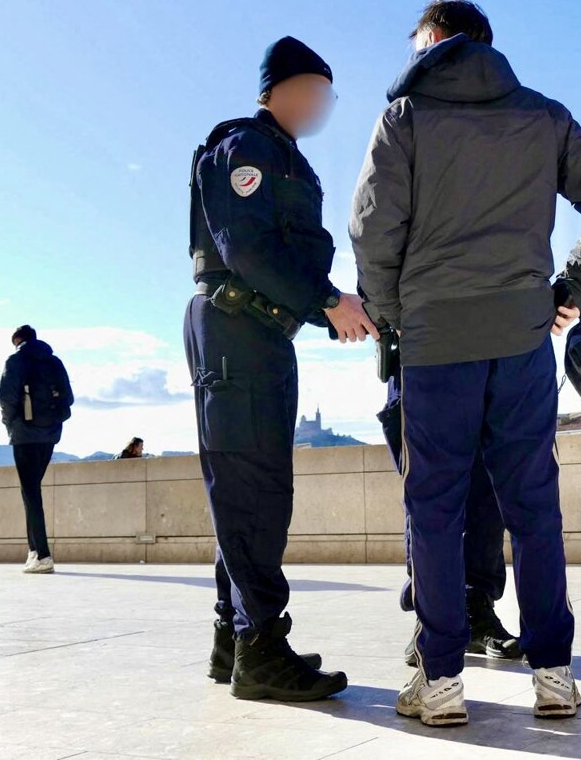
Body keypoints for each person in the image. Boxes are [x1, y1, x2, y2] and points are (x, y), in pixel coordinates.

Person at [350, 0, 581, 727]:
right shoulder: (543, 115)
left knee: (436, 509)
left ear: (436, 38)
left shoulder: (406, 117)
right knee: (533, 506)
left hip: (436, 341)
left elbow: (371, 230)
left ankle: (441, 679)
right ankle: (554, 673)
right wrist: (570, 289)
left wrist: (394, 316)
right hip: (520, 340)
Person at [186, 36, 377, 703]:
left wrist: (332, 308)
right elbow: (247, 246)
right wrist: (328, 301)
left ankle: (232, 637)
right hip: (238, 323)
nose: (322, 105)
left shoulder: (287, 158)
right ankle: (261, 647)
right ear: (278, 89)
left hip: (259, 329)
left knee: (249, 485)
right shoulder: (246, 147)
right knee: (255, 490)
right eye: (313, 91)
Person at [378, 375, 521, 666]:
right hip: (417, 359)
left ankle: (476, 606)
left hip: (485, 357)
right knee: (426, 497)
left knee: (487, 493)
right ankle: (430, 620)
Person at [0, 324, 73, 575]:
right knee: (32, 492)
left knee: (30, 492)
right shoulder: (54, 362)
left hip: (24, 434)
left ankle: (42, 554)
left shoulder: (16, 360)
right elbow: (68, 399)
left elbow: (6, 396)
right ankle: (34, 552)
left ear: (18, 340)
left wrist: (10, 422)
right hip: (50, 434)